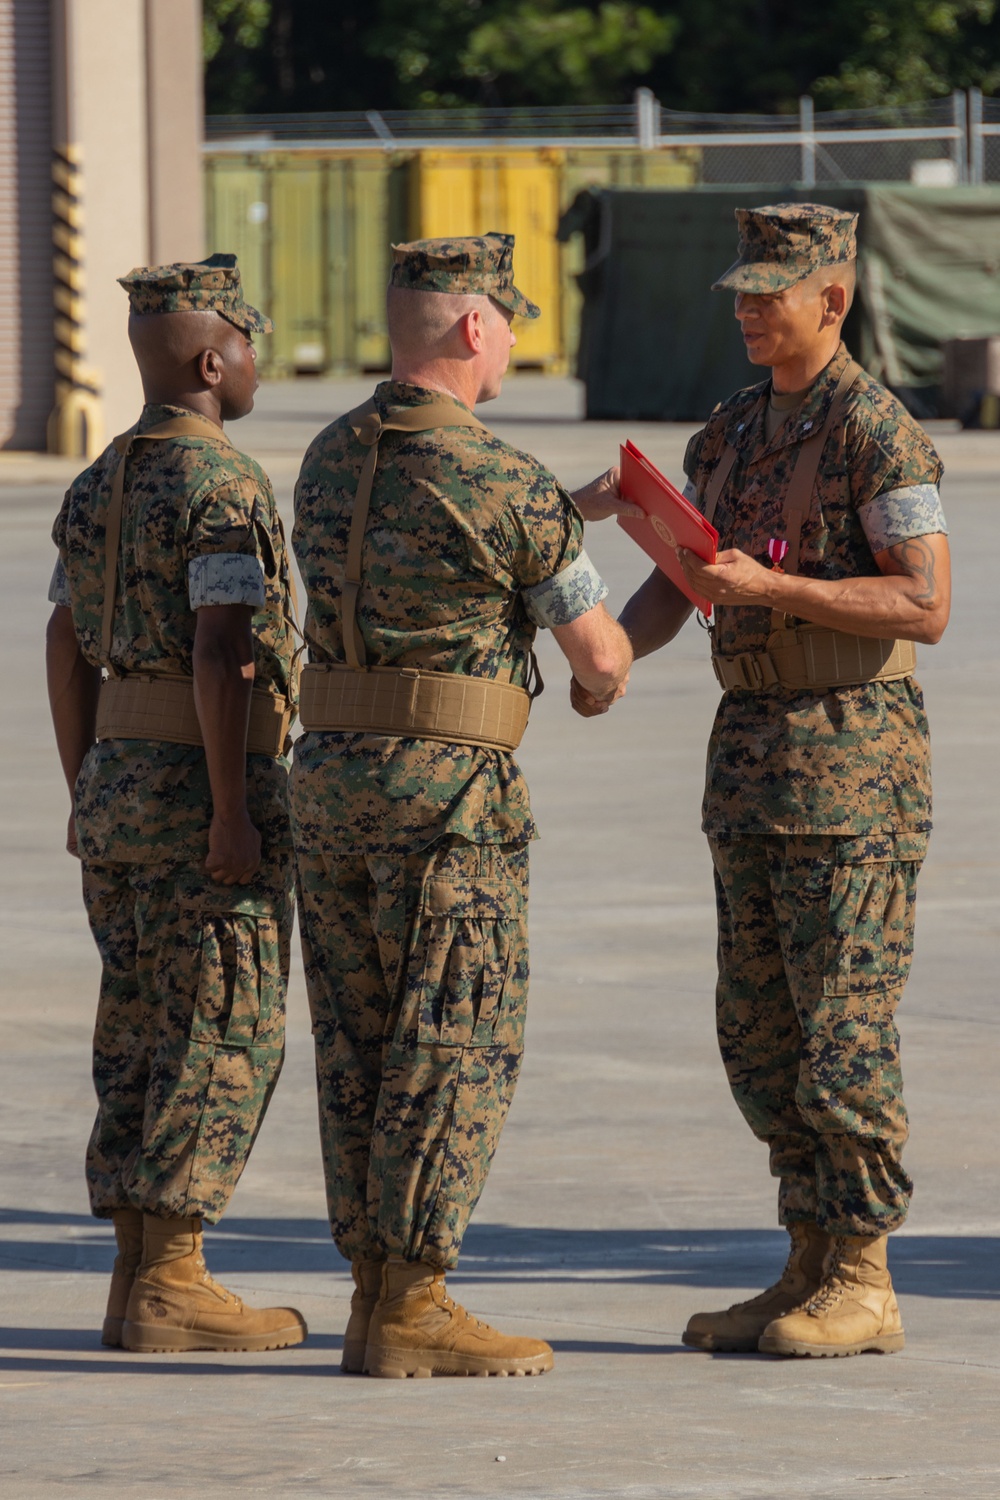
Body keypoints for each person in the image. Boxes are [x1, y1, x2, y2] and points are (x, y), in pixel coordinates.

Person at [599, 203, 951, 1357]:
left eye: (773, 290)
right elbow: (688, 581)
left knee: (843, 1030)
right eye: (742, 290)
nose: (750, 309)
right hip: (749, 763)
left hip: (852, 764)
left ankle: (864, 1273)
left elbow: (924, 603)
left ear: (832, 300)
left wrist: (777, 593)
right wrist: (608, 648)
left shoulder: (877, 433)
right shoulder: (733, 428)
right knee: (759, 1034)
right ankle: (803, 1257)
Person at [291, 232, 633, 1378]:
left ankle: (370, 1294)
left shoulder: (331, 455)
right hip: (445, 803)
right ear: (475, 327)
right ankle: (417, 1301)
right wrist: (596, 635)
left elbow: (431, 551)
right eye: (511, 328)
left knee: (359, 1044)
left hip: (330, 785)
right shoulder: (503, 478)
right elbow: (601, 657)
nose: (512, 351)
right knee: (454, 1040)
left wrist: (555, 517)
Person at [45, 254, 306, 1354]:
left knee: (141, 1027)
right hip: (201, 789)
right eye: (249, 344)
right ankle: (175, 1280)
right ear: (214, 358)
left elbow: (63, 640)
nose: (257, 364)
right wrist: (232, 808)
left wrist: (84, 786)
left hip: (114, 782)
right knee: (222, 1025)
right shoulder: (222, 486)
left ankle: (134, 1277)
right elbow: (220, 647)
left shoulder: (99, 479)